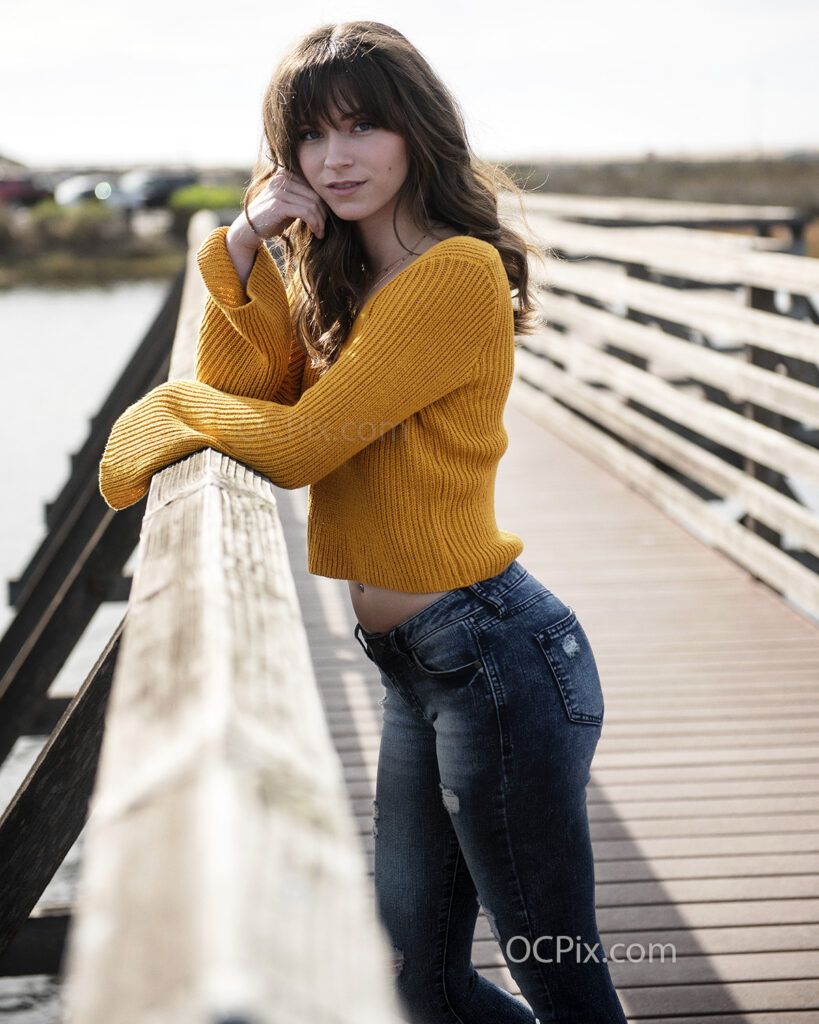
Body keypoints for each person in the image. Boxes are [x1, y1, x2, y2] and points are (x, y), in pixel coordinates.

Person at [98, 20, 628, 1024]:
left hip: (496, 658)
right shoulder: (351, 277)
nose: (335, 158)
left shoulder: (452, 275)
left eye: (363, 128)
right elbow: (245, 390)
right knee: (415, 981)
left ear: (415, 133)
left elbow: (296, 445)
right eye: (311, 136)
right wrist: (244, 246)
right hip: (417, 665)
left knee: (559, 972)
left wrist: (167, 413)